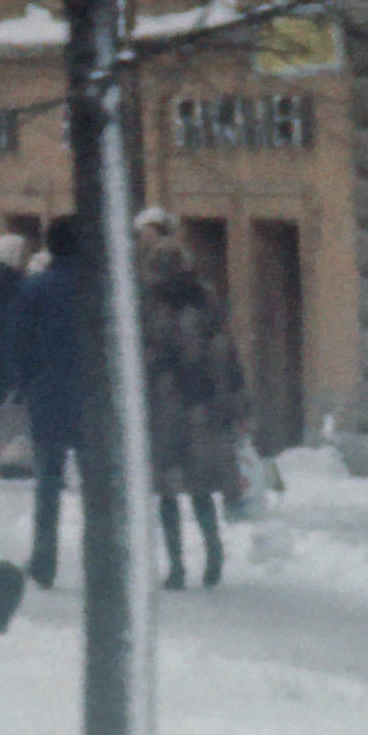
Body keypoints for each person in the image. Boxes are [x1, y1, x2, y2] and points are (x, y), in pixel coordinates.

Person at [135, 211, 246, 589]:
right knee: (201, 486)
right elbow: (226, 351)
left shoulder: (148, 302)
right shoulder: (207, 299)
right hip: (202, 401)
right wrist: (232, 399)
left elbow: (141, 352)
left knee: (167, 490)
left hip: (164, 402)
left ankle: (177, 565)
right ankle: (213, 553)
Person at [0, 221, 97, 588]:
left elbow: (18, 344)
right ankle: (99, 560)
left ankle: (44, 559)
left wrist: (25, 384)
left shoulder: (33, 289)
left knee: (48, 482)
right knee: (96, 485)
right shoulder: (98, 290)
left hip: (49, 394)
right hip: (93, 399)